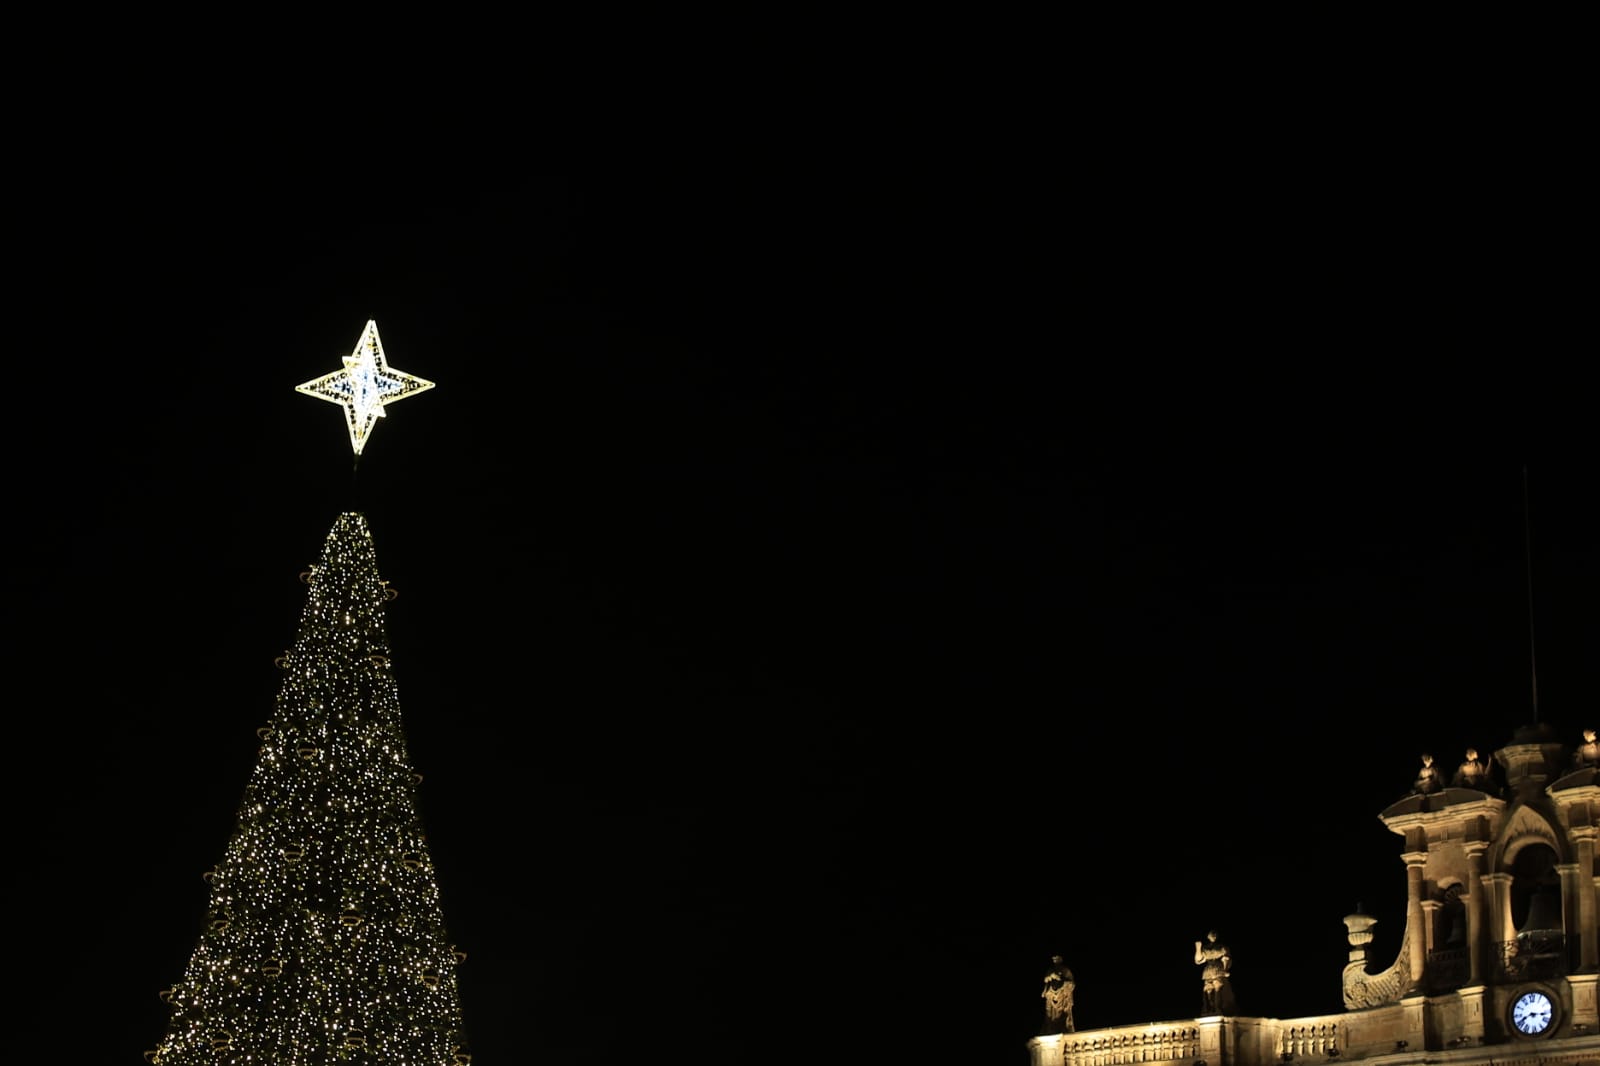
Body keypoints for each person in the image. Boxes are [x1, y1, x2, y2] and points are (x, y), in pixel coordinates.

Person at [1194, 930, 1236, 1015]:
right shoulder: (1205, 948)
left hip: (1218, 969)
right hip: (1208, 970)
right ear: (1208, 937)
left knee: (1217, 988)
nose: (1213, 936)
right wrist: (1198, 948)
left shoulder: (1222, 947)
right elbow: (1198, 960)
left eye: (1215, 935)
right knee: (1208, 990)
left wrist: (1225, 970)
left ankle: (1218, 1008)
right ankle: (1209, 1008)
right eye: (1211, 935)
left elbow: (1226, 959)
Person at [1039, 955, 1075, 1034]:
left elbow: (1071, 983)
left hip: (1062, 995)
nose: (1055, 960)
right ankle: (1050, 1027)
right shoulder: (1050, 970)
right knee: (1050, 1013)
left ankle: (1062, 1027)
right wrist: (1050, 977)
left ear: (1060, 959)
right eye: (1054, 959)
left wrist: (1060, 979)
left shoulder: (1066, 970)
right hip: (1051, 995)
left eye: (1057, 959)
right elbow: (1046, 981)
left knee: (1062, 1012)